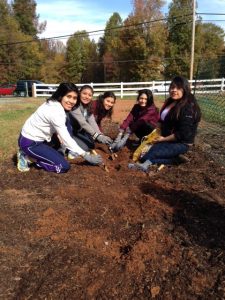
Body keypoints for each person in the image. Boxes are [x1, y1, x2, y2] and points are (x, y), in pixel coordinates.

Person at [17, 82, 102, 173]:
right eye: (68, 96)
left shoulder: (55, 103)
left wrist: (58, 134)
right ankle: (28, 158)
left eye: (74, 98)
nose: (72, 101)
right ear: (61, 95)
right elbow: (66, 138)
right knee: (63, 166)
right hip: (30, 143)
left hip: (39, 139)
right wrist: (85, 155)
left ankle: (48, 152)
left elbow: (62, 129)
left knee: (67, 124)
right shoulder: (55, 110)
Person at [128, 76, 201, 172]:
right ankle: (168, 157)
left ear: (185, 89)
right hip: (166, 137)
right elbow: (162, 120)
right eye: (172, 87)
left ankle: (174, 160)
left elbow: (183, 133)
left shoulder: (188, 108)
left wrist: (163, 139)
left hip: (180, 143)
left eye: (178, 88)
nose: (174, 90)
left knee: (146, 156)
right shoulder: (171, 101)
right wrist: (155, 133)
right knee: (142, 153)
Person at [67, 85, 113, 157]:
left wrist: (100, 135)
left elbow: (92, 121)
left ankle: (75, 146)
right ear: (79, 93)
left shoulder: (88, 106)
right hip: (69, 131)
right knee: (85, 147)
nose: (86, 96)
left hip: (77, 131)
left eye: (89, 95)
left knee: (91, 144)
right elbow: (83, 123)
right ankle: (69, 150)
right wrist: (97, 136)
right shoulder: (75, 105)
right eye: (84, 93)